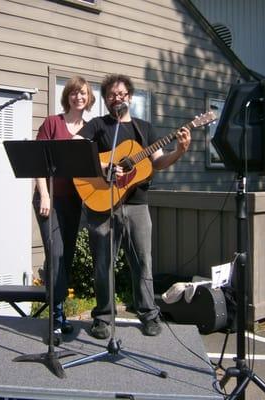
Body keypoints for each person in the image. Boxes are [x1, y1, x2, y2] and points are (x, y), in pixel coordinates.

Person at [74, 74, 191, 338]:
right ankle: (103, 317)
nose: (117, 98)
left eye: (122, 94)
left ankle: (148, 313)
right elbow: (76, 149)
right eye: (112, 95)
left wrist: (180, 151)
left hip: (138, 204)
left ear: (130, 96)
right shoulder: (98, 125)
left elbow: (157, 162)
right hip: (103, 204)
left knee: (143, 262)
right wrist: (105, 165)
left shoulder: (144, 129)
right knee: (103, 263)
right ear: (106, 100)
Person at [33, 76, 96, 337]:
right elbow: (37, 161)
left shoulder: (91, 129)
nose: (77, 97)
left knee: (65, 257)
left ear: (88, 98)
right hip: (50, 200)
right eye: (73, 93)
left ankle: (58, 314)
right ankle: (56, 319)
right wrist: (45, 196)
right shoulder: (52, 123)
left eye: (82, 94)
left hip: (74, 201)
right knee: (56, 253)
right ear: (67, 96)